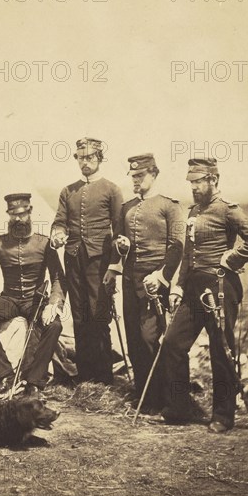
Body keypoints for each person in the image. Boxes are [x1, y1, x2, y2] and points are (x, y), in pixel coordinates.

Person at [161, 158, 248, 432]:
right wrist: (178, 286)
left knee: (221, 350)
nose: (194, 188)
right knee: (173, 342)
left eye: (199, 182)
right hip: (193, 290)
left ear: (214, 180)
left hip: (220, 288)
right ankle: (179, 408)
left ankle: (223, 415)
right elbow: (187, 254)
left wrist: (230, 259)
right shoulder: (194, 211)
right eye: (191, 183)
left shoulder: (228, 211)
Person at [103, 154, 184, 412]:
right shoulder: (127, 207)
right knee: (133, 338)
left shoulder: (169, 206)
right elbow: (117, 240)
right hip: (130, 279)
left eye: (140, 176)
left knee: (149, 337)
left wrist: (161, 277)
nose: (136, 180)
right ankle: (144, 395)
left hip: (155, 280)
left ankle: (162, 395)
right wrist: (120, 250)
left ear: (154, 174)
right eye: (133, 176)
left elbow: (177, 247)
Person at [0, 193, 66, 397]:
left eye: (22, 214)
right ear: (8, 215)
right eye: (13, 214)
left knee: (55, 325)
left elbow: (58, 276)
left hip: (36, 300)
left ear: (30, 212)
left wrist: (53, 303)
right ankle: (4, 374)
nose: (18, 219)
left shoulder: (45, 243)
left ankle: (34, 382)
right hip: (9, 299)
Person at [51, 137, 123, 384]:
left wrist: (114, 265)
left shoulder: (111, 189)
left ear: (99, 158)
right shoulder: (67, 191)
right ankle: (85, 376)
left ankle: (103, 377)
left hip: (99, 261)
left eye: (90, 157)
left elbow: (119, 228)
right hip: (73, 258)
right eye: (81, 157)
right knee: (80, 315)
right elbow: (59, 221)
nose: (85, 162)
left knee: (99, 313)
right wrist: (58, 233)